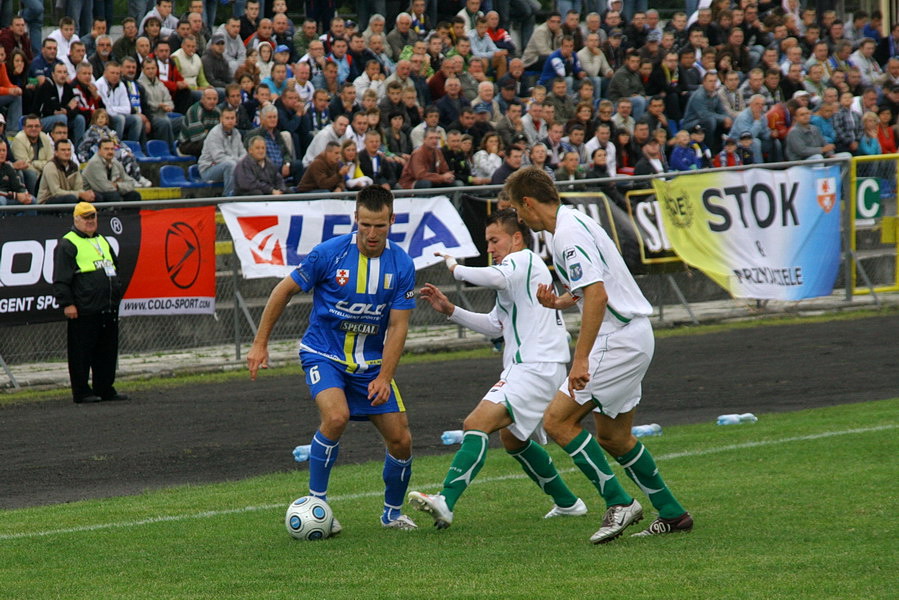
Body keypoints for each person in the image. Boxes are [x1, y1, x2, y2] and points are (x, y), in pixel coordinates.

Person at [504, 167, 692, 542]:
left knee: (557, 422)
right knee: (614, 437)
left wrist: (580, 358)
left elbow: (598, 295)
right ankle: (672, 513)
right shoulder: (573, 222)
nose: (518, 218)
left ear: (527, 202)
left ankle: (619, 503)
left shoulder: (567, 235)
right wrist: (560, 300)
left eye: (515, 208)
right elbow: (594, 282)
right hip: (635, 335)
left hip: (618, 339)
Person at [247, 185, 419, 532]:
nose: (371, 233)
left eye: (380, 226)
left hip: (369, 365)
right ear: (355, 219)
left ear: (392, 221)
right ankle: (317, 504)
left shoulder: (401, 264)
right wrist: (259, 343)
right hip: (323, 354)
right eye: (365, 225)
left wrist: (384, 377)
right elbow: (283, 291)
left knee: (401, 440)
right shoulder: (328, 254)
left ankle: (392, 514)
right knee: (336, 416)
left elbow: (398, 327)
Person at [408, 208, 586, 528]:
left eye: (494, 240)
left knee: (476, 422)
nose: (489, 248)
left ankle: (446, 500)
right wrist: (450, 309)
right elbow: (495, 325)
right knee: (513, 440)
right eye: (487, 242)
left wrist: (454, 266)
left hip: (534, 365)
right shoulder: (517, 272)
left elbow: (492, 276)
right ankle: (568, 502)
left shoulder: (522, 260)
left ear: (516, 238)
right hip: (538, 365)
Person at [52, 201, 128, 404]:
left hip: (107, 306)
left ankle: (105, 388)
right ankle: (81, 391)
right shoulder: (68, 243)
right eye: (85, 217)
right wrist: (67, 303)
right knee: (81, 352)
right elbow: (61, 278)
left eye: (93, 216)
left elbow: (115, 267)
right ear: (76, 219)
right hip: (84, 308)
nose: (90, 221)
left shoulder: (102, 240)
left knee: (107, 351)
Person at [198, 107, 246, 197]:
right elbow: (219, 157)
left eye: (232, 118)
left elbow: (243, 153)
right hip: (209, 169)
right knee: (230, 165)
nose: (230, 121)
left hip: (232, 166)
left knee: (245, 164)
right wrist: (237, 162)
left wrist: (239, 162)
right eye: (227, 118)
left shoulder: (236, 133)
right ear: (221, 119)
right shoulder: (215, 133)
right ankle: (227, 197)